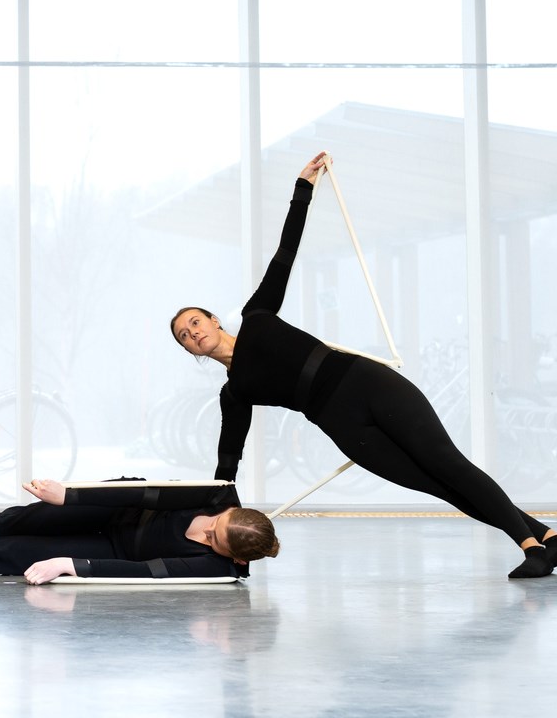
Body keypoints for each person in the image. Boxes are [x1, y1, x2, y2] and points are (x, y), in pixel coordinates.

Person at [171, 151, 557, 580]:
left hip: (367, 384)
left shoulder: (257, 315)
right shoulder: (234, 392)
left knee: (448, 464)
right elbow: (229, 458)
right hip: (342, 425)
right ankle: (547, 537)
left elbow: (286, 252)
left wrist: (303, 189)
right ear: (191, 352)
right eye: (184, 336)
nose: (192, 333)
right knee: (438, 485)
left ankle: (529, 546)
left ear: (213, 319)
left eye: (194, 322)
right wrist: (208, 516)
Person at [0, 478, 279, 583]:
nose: (205, 531)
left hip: (114, 551)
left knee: (4, 554)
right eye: (214, 526)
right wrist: (69, 496)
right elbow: (146, 494)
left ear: (237, 558)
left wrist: (71, 565)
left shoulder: (219, 569)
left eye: (213, 539)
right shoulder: (219, 497)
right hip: (117, 507)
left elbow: (148, 572)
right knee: (6, 521)